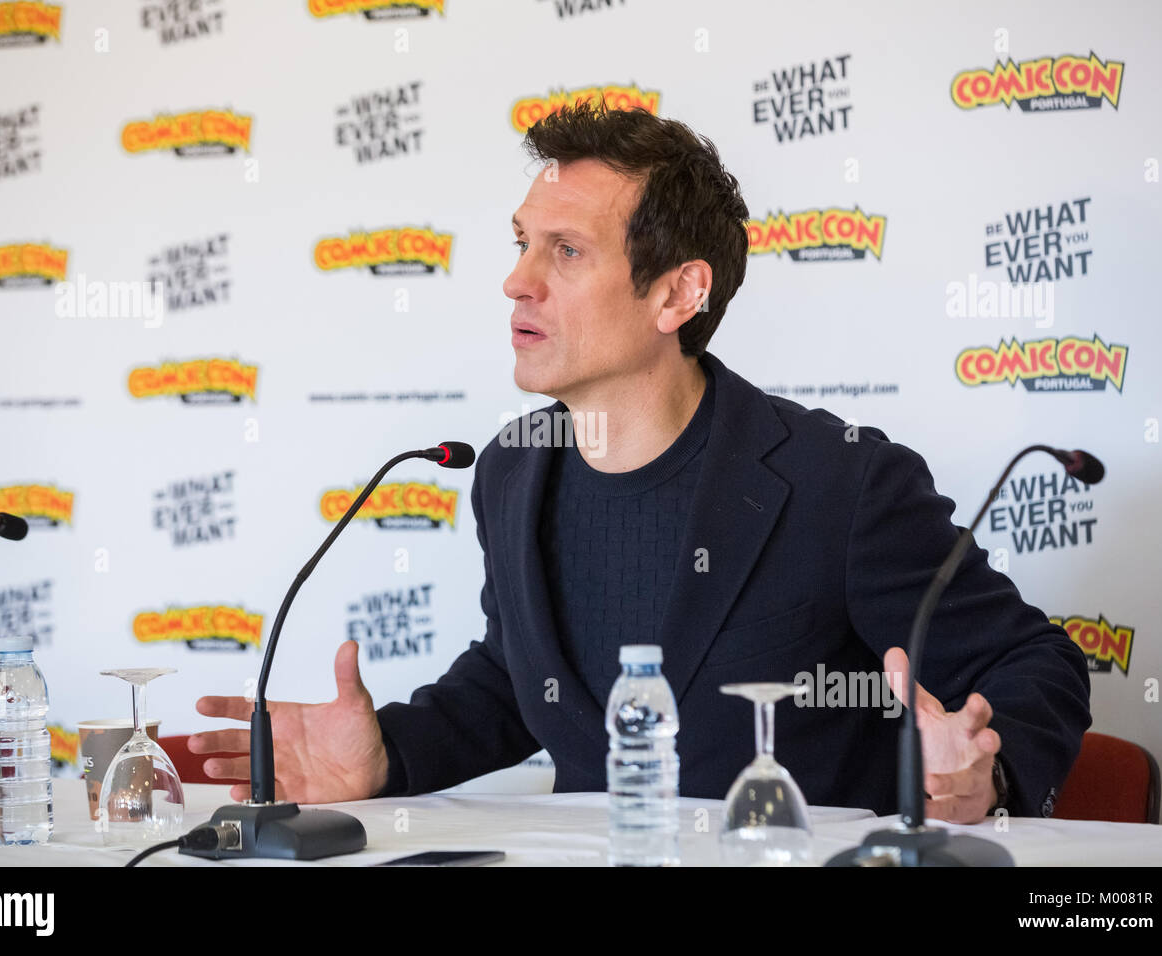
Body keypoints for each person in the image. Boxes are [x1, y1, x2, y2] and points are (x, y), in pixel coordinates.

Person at [193, 102, 1091, 823]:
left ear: (677, 293)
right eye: (522, 243)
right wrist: (388, 754)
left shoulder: (838, 482)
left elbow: (1034, 663)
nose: (517, 280)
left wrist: (989, 773)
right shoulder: (512, 468)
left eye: (567, 251)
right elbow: (520, 681)